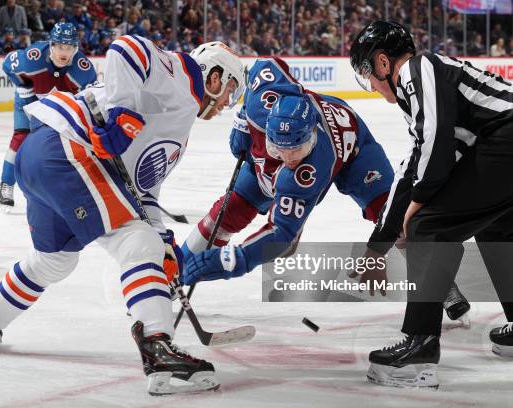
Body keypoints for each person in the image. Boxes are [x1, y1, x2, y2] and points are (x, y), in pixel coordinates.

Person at [0, 40, 245, 395]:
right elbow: (127, 48)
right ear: (214, 76)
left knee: (55, 260)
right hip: (69, 151)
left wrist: (164, 241)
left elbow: (140, 192)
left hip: (41, 158)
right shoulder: (184, 77)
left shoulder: (179, 129)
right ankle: (158, 347)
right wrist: (122, 114)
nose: (226, 103)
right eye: (230, 90)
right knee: (138, 245)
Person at [181, 57, 471, 318]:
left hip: (354, 150)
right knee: (230, 209)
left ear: (311, 139)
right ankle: (174, 269)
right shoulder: (262, 105)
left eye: (298, 150)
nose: (290, 160)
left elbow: (280, 235)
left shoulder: (308, 171)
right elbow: (266, 64)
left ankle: (442, 285)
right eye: (281, 150)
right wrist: (244, 118)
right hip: (296, 129)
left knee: (393, 218)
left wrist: (234, 260)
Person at [349, 20, 513, 388]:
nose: (372, 87)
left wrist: (415, 211)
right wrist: (379, 244)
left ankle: (419, 350)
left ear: (381, 63)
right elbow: (415, 167)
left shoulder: (417, 68)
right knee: (496, 225)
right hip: (504, 140)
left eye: (367, 74)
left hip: (507, 137)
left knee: (429, 227)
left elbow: (435, 147)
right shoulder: (425, 84)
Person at [0, 22, 97, 211]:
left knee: (66, 146)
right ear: (51, 45)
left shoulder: (83, 70)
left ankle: (61, 191)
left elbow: (92, 100)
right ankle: (6, 185)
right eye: (60, 47)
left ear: (76, 48)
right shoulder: (33, 57)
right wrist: (23, 87)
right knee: (21, 138)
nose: (64, 52)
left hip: (60, 109)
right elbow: (8, 63)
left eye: (69, 47)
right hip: (30, 100)